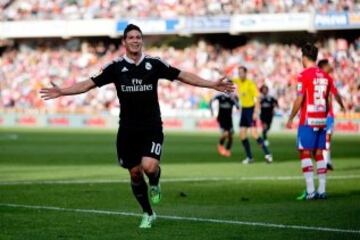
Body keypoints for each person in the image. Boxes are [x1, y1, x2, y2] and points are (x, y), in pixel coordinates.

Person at [40, 24, 234, 228]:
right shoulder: (114, 67)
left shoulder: (154, 64)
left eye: (138, 37)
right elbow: (88, 84)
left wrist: (211, 84)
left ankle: (156, 182)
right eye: (131, 37)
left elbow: (183, 75)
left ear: (141, 41)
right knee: (134, 173)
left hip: (152, 127)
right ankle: (148, 213)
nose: (135, 40)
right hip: (127, 130)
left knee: (150, 167)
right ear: (124, 42)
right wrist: (63, 92)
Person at [286, 43, 334, 200]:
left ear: (304, 58)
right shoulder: (326, 76)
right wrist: (324, 116)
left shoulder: (303, 75)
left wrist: (291, 117)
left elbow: (300, 98)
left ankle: (311, 191)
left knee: (305, 152)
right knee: (319, 153)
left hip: (308, 119)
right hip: (321, 118)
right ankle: (322, 190)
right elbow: (327, 100)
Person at [232, 66, 272, 164]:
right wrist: (220, 71)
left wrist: (256, 111)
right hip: (244, 110)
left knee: (254, 134)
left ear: (246, 73)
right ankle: (250, 157)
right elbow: (229, 78)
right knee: (242, 135)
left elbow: (257, 97)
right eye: (239, 73)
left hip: (251, 109)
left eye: (242, 73)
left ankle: (268, 154)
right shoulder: (238, 81)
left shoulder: (250, 83)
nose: (240, 74)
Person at [317, 59, 346, 170]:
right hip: (327, 113)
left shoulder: (315, 80)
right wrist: (342, 106)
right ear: (323, 67)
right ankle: (325, 162)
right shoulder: (328, 79)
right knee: (327, 138)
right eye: (328, 65)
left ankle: (326, 161)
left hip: (317, 113)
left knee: (323, 139)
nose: (330, 66)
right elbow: (336, 94)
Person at [209, 92, 240, 157]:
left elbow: (238, 107)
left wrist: (234, 99)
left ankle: (227, 150)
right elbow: (211, 101)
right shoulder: (220, 95)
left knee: (230, 135)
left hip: (229, 119)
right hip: (221, 118)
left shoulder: (233, 96)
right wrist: (211, 111)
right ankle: (220, 145)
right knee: (226, 133)